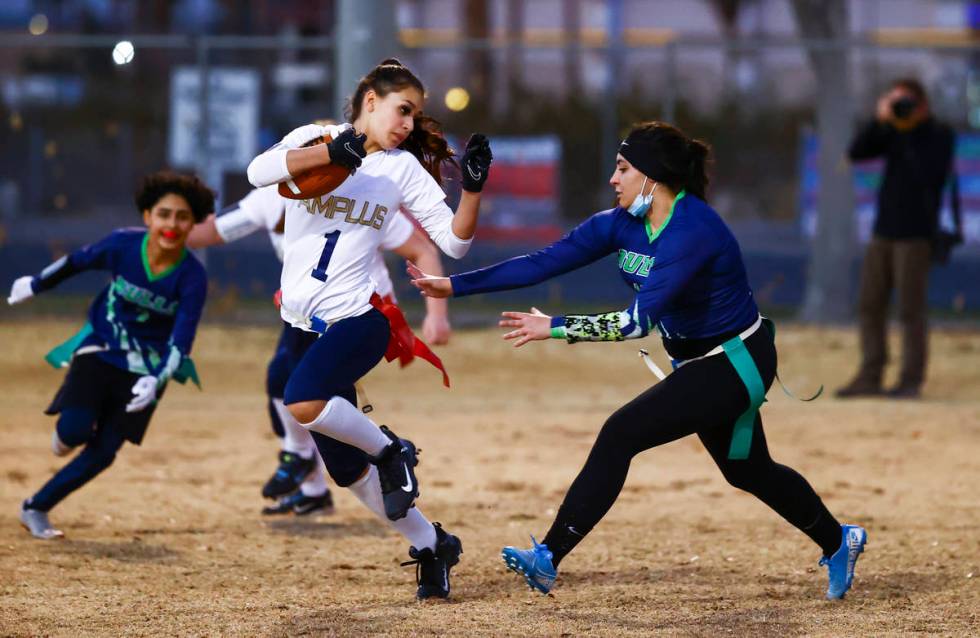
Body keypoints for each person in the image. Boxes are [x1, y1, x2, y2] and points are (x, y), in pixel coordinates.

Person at [409, 121, 867, 600]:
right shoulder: (620, 223)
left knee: (620, 433)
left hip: (737, 362)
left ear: (653, 176)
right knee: (748, 471)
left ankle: (547, 556)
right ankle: (840, 541)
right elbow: (542, 262)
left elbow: (635, 324)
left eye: (623, 169)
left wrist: (556, 326)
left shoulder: (694, 229)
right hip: (698, 364)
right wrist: (456, 286)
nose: (613, 179)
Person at [245, 58, 492, 599]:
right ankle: (433, 545)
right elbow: (257, 173)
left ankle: (390, 450)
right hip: (304, 323)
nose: (408, 122)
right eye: (403, 109)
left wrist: (471, 192)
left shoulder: (401, 168)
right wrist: (331, 152)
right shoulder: (317, 137)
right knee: (344, 470)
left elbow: (453, 244)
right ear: (371, 102)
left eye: (416, 114)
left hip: (362, 317)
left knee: (301, 399)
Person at [187, 183, 453, 517]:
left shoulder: (366, 194)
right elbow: (209, 232)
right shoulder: (272, 194)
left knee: (296, 388)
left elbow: (423, 250)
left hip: (361, 314)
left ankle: (373, 457)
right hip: (308, 315)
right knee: (289, 391)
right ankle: (313, 484)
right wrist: (155, 229)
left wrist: (437, 315)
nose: (319, 166)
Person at [7, 171, 214, 539]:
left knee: (103, 453)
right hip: (101, 348)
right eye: (164, 214)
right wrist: (35, 285)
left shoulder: (192, 277)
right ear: (147, 216)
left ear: (193, 223)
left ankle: (35, 507)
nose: (172, 224)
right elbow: (76, 262)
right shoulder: (121, 245)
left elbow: (182, 340)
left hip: (148, 372)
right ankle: (66, 437)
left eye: (182, 217)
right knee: (72, 431)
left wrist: (158, 380)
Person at [837, 78, 956, 399]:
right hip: (882, 232)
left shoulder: (937, 134)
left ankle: (910, 379)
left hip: (915, 236)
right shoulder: (889, 131)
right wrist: (881, 119)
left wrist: (910, 127)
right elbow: (856, 152)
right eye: (896, 101)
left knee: (910, 310)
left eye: (907, 102)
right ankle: (870, 374)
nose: (902, 108)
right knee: (869, 304)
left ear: (923, 105)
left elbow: (932, 173)